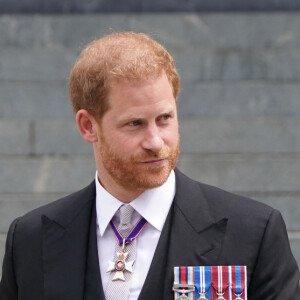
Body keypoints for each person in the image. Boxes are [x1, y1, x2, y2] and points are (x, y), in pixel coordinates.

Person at [0, 31, 299, 300]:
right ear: (88, 126)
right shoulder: (30, 241)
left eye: (165, 118)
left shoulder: (253, 233)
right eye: (135, 123)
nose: (156, 141)